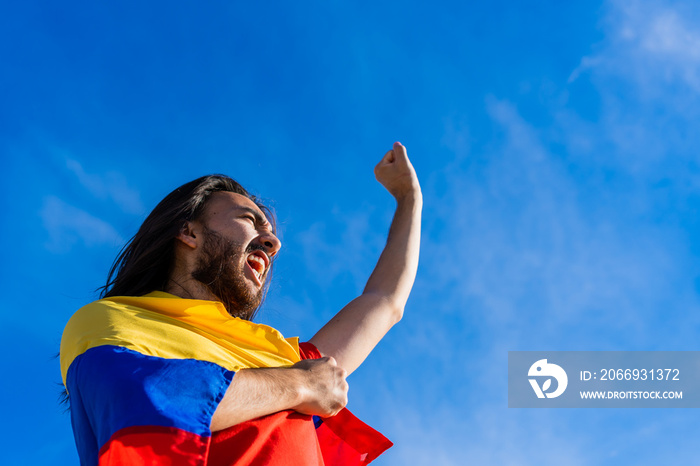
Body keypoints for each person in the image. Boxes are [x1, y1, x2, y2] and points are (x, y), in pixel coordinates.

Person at [60, 142, 422, 465]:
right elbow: (138, 405)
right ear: (189, 232)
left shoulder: (278, 355)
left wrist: (409, 198)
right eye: (250, 220)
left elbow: (384, 301)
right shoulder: (111, 319)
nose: (273, 242)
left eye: (272, 233)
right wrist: (299, 385)